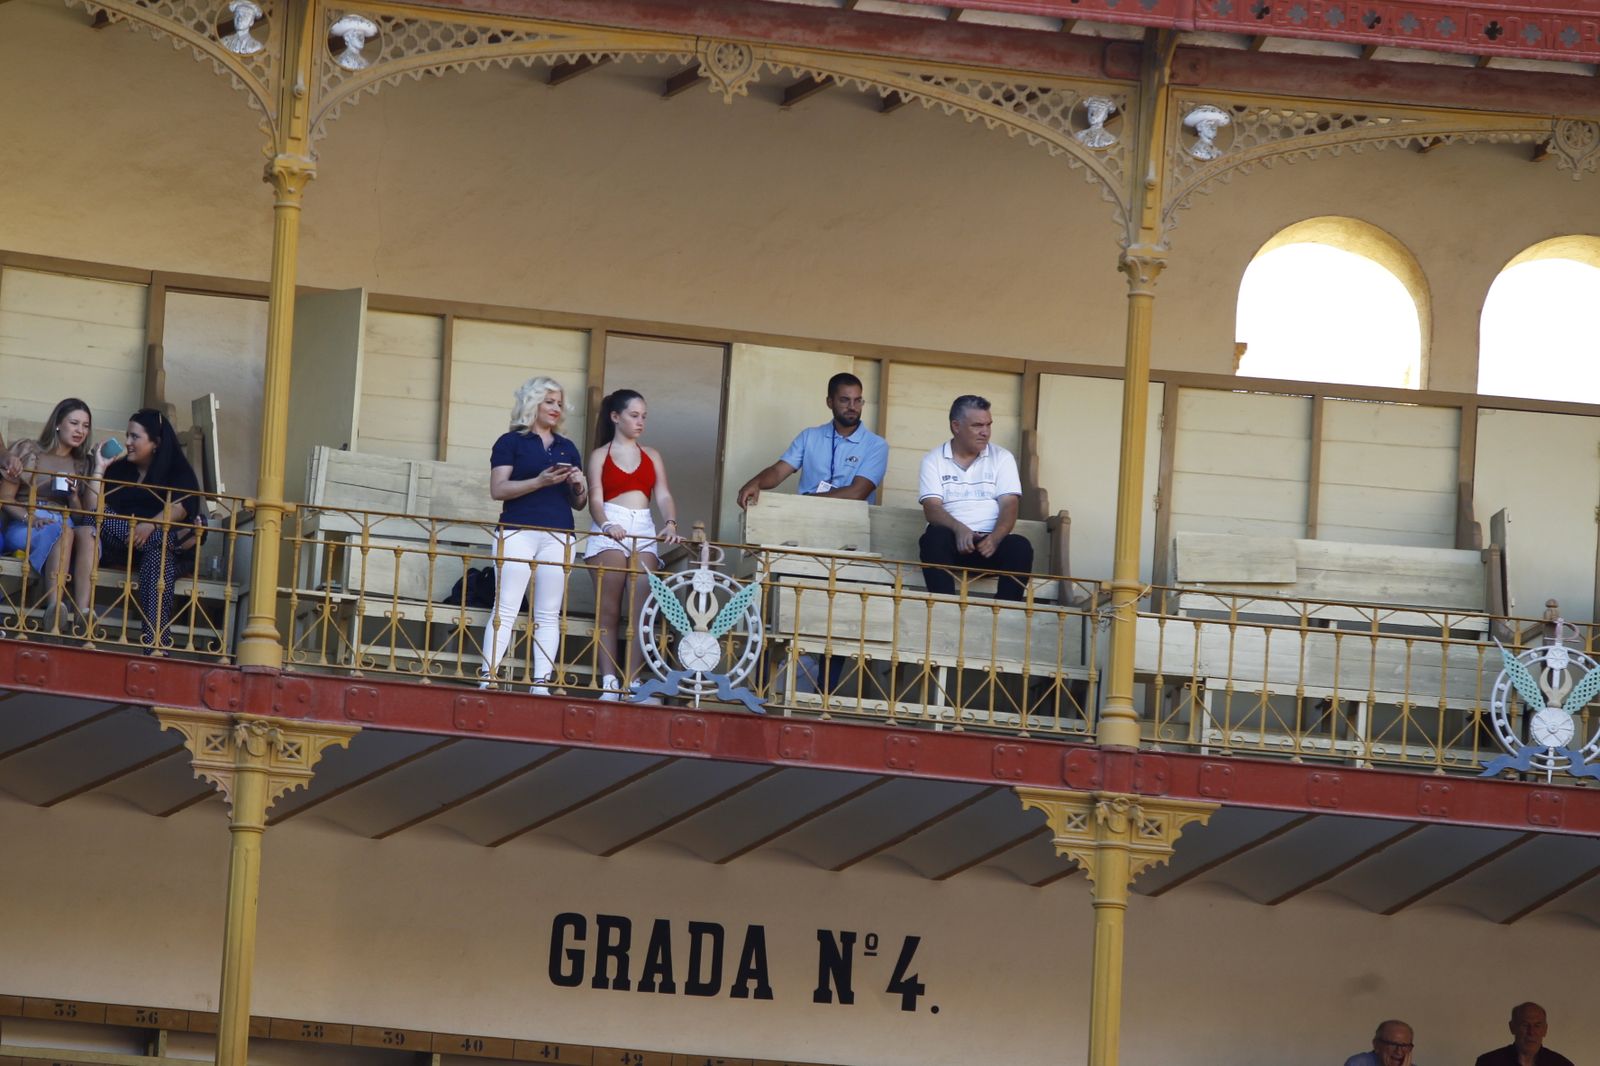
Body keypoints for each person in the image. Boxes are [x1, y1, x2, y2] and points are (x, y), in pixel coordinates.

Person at [481, 376, 587, 694]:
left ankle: (540, 683)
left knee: (548, 612)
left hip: (558, 533)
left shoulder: (567, 447)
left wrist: (579, 485)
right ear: (533, 404)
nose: (556, 408)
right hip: (517, 531)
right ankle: (488, 678)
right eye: (549, 402)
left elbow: (579, 503)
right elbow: (498, 489)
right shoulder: (510, 442)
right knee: (507, 607)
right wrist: (539, 481)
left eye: (559, 403)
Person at [582, 389, 683, 701]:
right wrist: (606, 524)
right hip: (609, 524)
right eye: (634, 415)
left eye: (644, 416)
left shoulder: (652, 455)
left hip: (643, 526)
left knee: (641, 612)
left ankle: (633, 681)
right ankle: (610, 681)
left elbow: (663, 494)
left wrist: (670, 523)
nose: (640, 422)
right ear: (616, 416)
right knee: (609, 609)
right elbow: (595, 500)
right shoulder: (600, 455)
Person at [98, 409, 201, 651]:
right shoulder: (118, 470)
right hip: (125, 546)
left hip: (164, 553)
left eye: (135, 437)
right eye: (127, 436)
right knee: (95, 518)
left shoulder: (179, 472)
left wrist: (151, 525)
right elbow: (98, 508)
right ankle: (158, 647)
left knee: (158, 553)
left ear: (156, 443)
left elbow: (183, 506)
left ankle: (155, 644)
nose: (127, 443)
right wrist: (98, 468)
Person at [916, 394, 1033, 601]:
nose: (985, 432)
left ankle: (1004, 616)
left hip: (991, 544)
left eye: (989, 425)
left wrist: (996, 537)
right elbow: (931, 509)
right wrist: (959, 529)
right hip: (953, 543)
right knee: (933, 539)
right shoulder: (933, 459)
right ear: (956, 426)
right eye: (977, 425)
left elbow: (1010, 505)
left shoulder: (1002, 458)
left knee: (1020, 547)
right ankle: (945, 609)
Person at [0, 398, 104, 630]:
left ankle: (83, 612)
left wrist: (74, 497)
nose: (80, 431)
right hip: (27, 521)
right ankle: (55, 609)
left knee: (87, 531)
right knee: (63, 531)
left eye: (85, 426)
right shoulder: (28, 450)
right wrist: (33, 515)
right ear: (58, 423)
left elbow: (82, 516)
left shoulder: (83, 464)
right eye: (74, 423)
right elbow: (6, 500)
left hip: (65, 522)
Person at [736, 372, 889, 509]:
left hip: (851, 530)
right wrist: (755, 483)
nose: (852, 407)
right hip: (806, 523)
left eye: (858, 401)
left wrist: (805, 502)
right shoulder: (809, 436)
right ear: (830, 402)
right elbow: (778, 472)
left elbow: (857, 493)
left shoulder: (876, 445)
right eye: (844, 400)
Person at [1474, 1002, 1573, 1066]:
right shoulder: (1489, 1063)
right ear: (1512, 1027)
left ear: (1545, 1029)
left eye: (1537, 1026)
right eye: (1525, 1025)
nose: (1531, 1032)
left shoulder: (1561, 1064)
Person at [1344, 1019, 1416, 1066]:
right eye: (1393, 1044)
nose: (1399, 1052)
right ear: (1376, 1045)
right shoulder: (1358, 1063)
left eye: (1404, 1046)